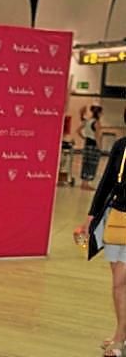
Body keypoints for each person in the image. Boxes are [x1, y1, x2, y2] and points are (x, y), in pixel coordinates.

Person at [80, 108, 126, 357]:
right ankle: (121, 332)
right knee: (118, 284)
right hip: (116, 219)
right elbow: (107, 182)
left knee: (121, 281)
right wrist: (91, 216)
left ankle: (119, 339)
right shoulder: (121, 146)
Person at [77, 104, 103, 190]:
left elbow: (78, 130)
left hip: (87, 144)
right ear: (98, 113)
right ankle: (86, 184)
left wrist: (84, 137)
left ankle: (83, 183)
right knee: (92, 164)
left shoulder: (88, 121)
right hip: (94, 146)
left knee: (86, 163)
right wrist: (99, 147)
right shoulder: (96, 122)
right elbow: (97, 135)